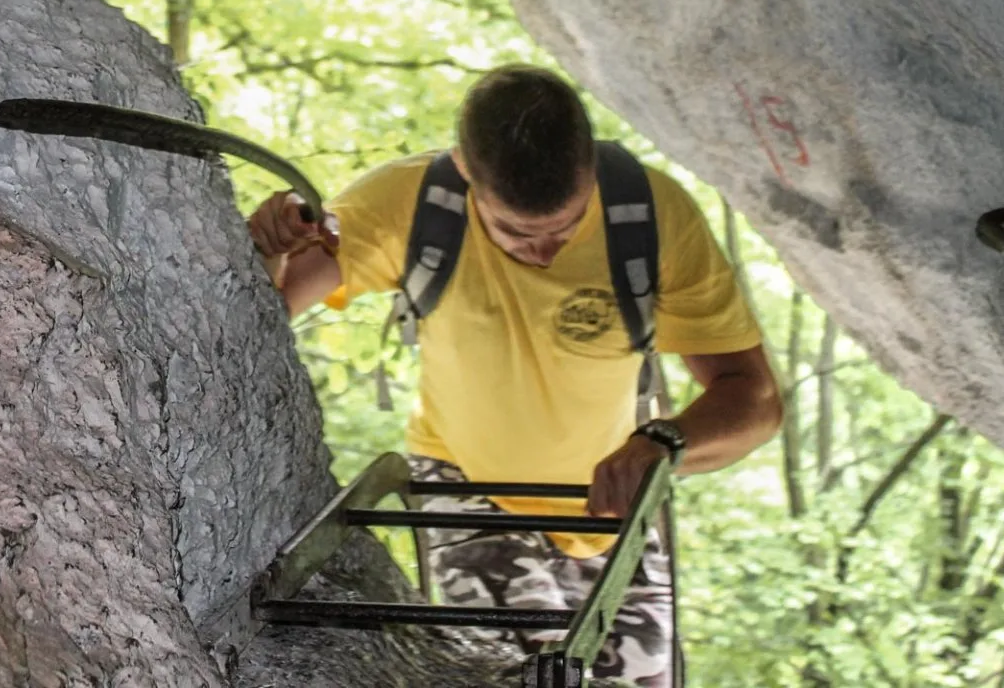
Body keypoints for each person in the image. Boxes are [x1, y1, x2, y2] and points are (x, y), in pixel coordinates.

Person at [247, 64, 782, 687]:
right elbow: (266, 308)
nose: (546, 253)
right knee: (516, 678)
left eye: (565, 226)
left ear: (590, 170)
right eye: (518, 235)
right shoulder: (412, 204)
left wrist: (663, 443)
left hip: (609, 500)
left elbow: (756, 400)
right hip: (466, 492)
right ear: (467, 173)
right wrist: (272, 248)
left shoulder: (649, 217)